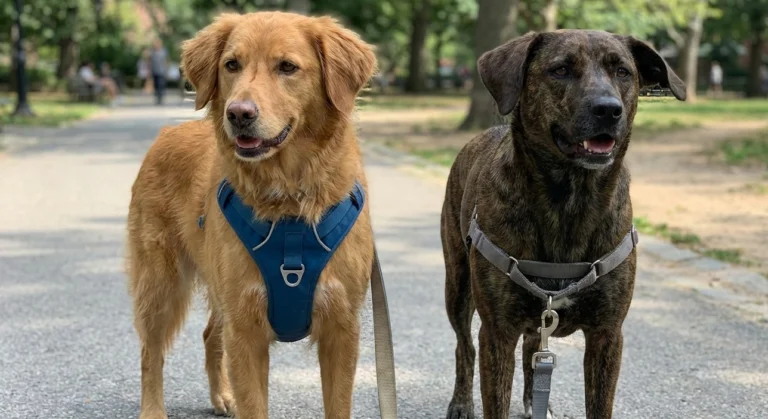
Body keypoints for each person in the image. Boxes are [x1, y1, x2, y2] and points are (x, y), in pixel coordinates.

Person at [150, 39, 169, 105]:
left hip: (161, 71)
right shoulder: (152, 52)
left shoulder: (163, 51)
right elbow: (150, 61)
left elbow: (166, 61)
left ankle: (160, 98)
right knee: (156, 85)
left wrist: (166, 70)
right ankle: (157, 97)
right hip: (154, 71)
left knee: (160, 85)